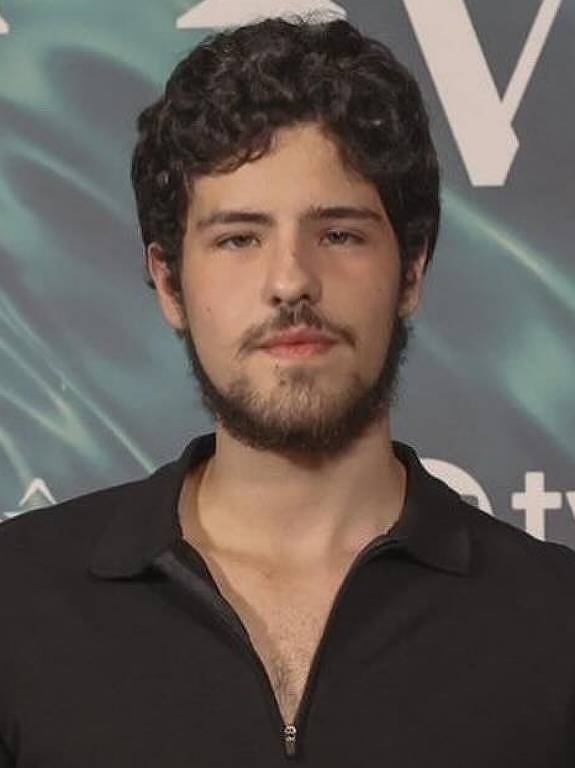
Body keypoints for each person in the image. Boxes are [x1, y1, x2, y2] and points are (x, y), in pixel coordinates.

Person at [1, 16, 574, 768]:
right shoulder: (16, 602)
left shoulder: (556, 622)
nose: (291, 281)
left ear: (411, 273)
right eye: (239, 238)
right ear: (170, 284)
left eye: (339, 234)